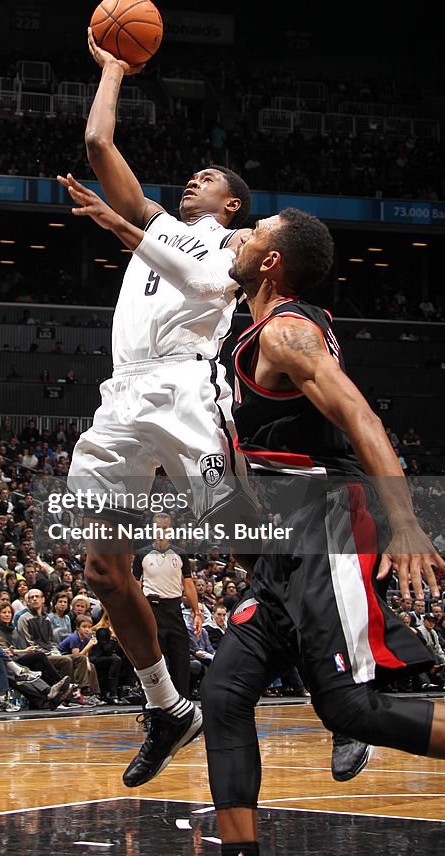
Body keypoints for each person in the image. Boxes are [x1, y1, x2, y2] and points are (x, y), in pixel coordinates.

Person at [200, 207, 445, 856]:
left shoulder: (285, 333)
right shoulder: (254, 325)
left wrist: (406, 521)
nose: (241, 236)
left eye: (253, 232)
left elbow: (359, 414)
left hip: (327, 526)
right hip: (280, 549)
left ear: (272, 261)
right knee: (222, 692)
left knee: (350, 711)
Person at [53, 31, 255, 786]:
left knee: (248, 541)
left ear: (230, 202)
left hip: (187, 386)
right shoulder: (157, 223)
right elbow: (97, 140)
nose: (190, 181)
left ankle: (342, 682)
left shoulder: (235, 242)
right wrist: (111, 68)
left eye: (204, 177)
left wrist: (116, 226)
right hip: (122, 393)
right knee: (104, 571)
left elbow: (211, 291)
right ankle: (168, 707)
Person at [132, 512, 201, 701]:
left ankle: (183, 708)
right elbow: (136, 587)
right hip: (151, 610)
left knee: (181, 661)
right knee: (154, 663)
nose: (161, 532)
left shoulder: (179, 554)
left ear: (171, 530)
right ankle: (152, 709)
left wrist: (196, 612)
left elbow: (188, 584)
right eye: (158, 528)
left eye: (165, 528)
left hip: (175, 610)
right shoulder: (142, 554)